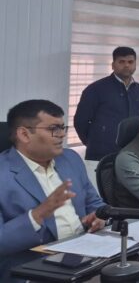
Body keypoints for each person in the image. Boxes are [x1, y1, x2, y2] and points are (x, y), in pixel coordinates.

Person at [0, 100, 105, 256]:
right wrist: (38, 215)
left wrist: (99, 217)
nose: (62, 134)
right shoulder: (4, 174)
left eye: (62, 127)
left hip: (85, 249)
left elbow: (94, 203)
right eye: (53, 129)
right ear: (24, 134)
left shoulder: (70, 158)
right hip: (33, 261)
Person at [74, 46, 139, 170]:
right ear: (113, 65)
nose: (126, 65)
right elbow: (80, 122)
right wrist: (94, 143)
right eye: (121, 62)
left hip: (132, 155)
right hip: (100, 155)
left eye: (130, 62)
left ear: (135, 65)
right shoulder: (96, 89)